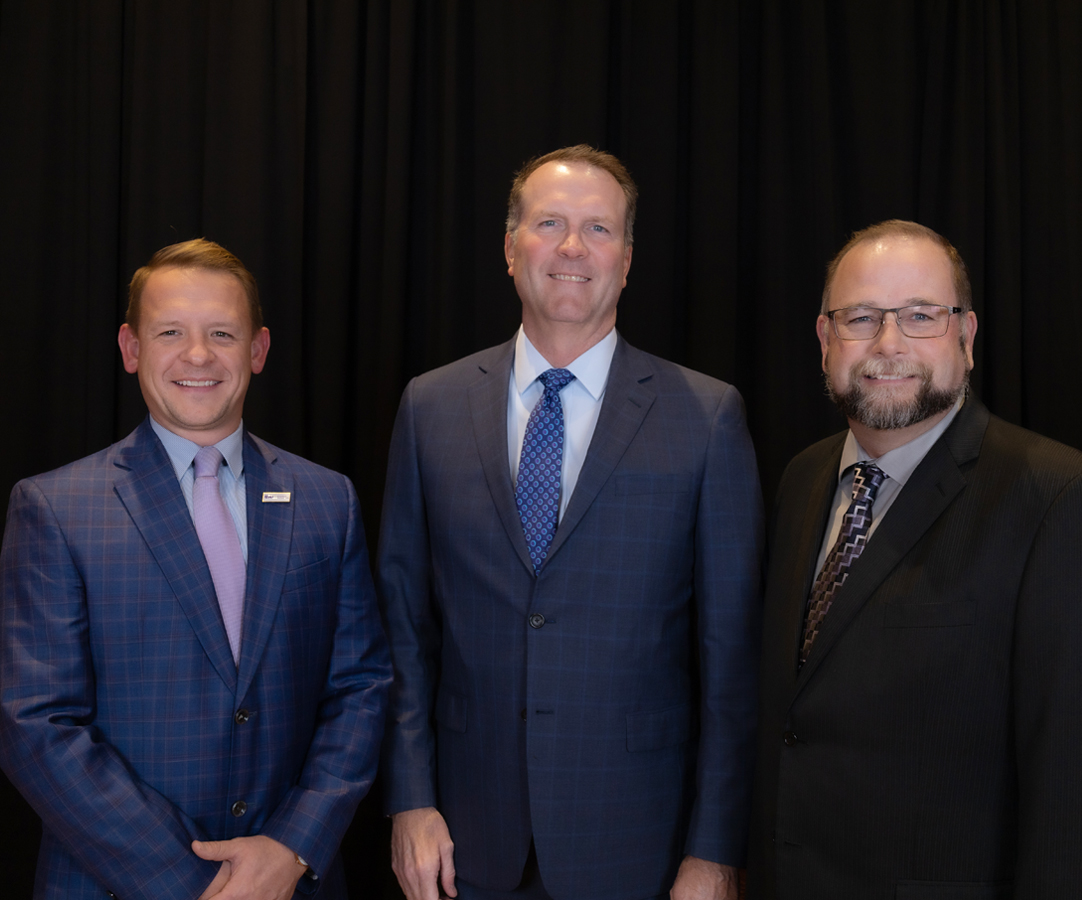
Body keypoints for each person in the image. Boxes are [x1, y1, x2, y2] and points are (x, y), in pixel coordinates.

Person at [378, 145, 764, 900]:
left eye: (598, 228)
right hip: (460, 840)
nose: (572, 247)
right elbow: (401, 627)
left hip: (638, 844)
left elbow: (731, 659)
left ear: (626, 258)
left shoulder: (708, 418)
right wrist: (408, 797)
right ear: (510, 247)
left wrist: (715, 852)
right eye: (549, 222)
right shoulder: (431, 406)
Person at [0, 239, 391, 900]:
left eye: (222, 333)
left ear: (258, 350)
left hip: (289, 884)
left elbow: (361, 687)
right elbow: (38, 727)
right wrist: (196, 886)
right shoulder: (55, 508)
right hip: (117, 886)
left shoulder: (328, 500)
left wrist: (292, 848)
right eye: (170, 332)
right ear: (130, 349)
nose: (199, 355)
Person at [747, 220, 1082, 898]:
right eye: (861, 317)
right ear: (825, 340)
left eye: (921, 316)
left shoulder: (1052, 494)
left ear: (966, 336)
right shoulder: (803, 478)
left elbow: (1064, 775)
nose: (888, 344)